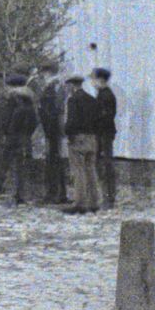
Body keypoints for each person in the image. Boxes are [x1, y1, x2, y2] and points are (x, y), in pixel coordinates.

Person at [0, 73, 40, 205]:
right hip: (25, 138)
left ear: (12, 86)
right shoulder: (29, 102)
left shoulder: (12, 100)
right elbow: (34, 122)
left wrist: (4, 131)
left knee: (1, 166)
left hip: (12, 138)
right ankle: (19, 195)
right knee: (20, 169)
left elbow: (5, 119)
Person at [61, 72, 103, 213]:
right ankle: (94, 202)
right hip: (92, 137)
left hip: (78, 138)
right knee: (91, 170)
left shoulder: (73, 100)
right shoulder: (92, 99)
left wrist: (67, 132)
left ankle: (80, 203)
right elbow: (98, 120)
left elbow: (71, 121)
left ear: (72, 86)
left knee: (78, 171)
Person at [36, 68, 71, 205]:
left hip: (52, 132)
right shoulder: (57, 90)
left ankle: (53, 194)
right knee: (58, 162)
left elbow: (49, 113)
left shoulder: (49, 91)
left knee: (53, 162)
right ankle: (59, 194)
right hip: (55, 132)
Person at [91, 66, 119, 207]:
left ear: (100, 79)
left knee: (106, 165)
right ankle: (106, 196)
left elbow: (105, 116)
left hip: (104, 133)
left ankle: (108, 197)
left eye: (93, 79)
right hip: (102, 132)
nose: (92, 82)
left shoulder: (106, 95)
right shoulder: (103, 94)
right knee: (103, 164)